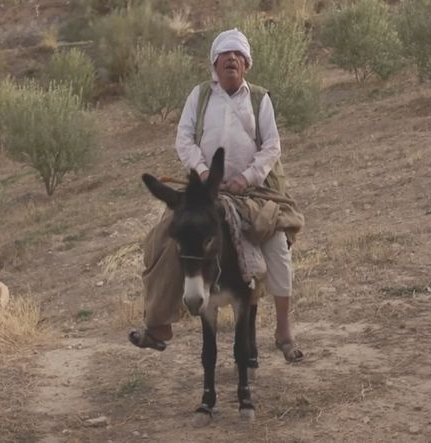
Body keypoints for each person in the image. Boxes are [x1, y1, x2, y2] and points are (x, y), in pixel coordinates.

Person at [129, 28, 303, 363]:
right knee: (163, 239)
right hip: (204, 190)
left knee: (277, 247)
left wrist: (245, 177)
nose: (232, 60)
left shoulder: (259, 98)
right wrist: (204, 173)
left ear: (246, 65)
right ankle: (158, 324)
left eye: (239, 56)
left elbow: (272, 147)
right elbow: (183, 140)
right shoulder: (199, 96)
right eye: (226, 56)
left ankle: (284, 329)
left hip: (253, 190)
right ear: (215, 63)